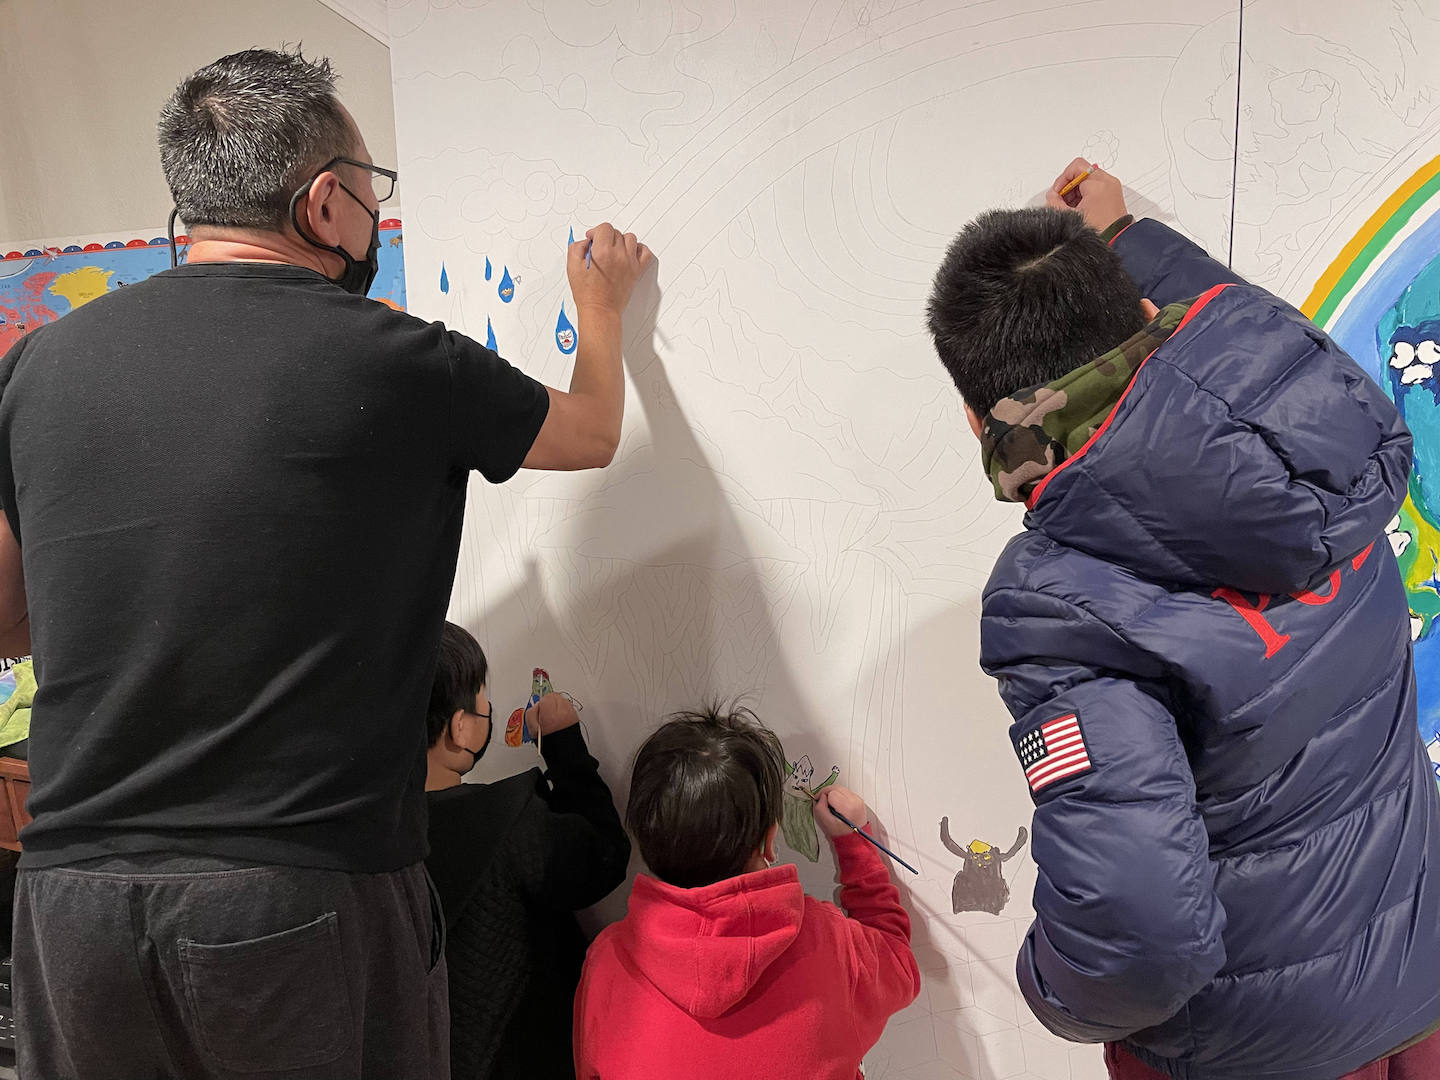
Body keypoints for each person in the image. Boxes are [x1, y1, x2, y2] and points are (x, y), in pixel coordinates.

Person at [0, 47, 651, 1079]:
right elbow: (592, 434)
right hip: (294, 892)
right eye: (371, 189)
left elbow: (6, 616)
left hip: (71, 903)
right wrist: (601, 307)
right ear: (325, 202)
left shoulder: (38, 363)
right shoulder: (397, 359)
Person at [925, 159, 1440, 1080]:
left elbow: (1137, 943)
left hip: (1259, 1048)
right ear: (1148, 316)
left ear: (977, 421)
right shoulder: (1329, 439)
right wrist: (1129, 241)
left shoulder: (1056, 601)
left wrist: (1048, 988)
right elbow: (1254, 348)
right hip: (1417, 973)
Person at [573, 703, 920, 1079]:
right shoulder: (828, 940)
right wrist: (855, 843)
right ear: (770, 841)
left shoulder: (605, 959)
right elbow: (897, 962)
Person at [422, 622, 629, 1079]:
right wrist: (564, 743)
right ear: (460, 728)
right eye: (483, 702)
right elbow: (604, 857)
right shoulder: (506, 822)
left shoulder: (359, 842)